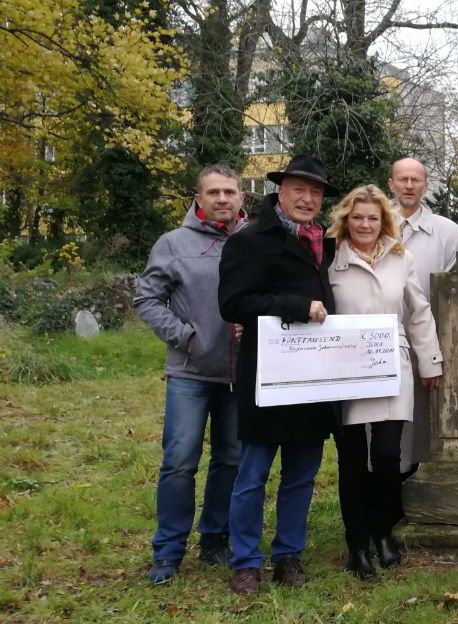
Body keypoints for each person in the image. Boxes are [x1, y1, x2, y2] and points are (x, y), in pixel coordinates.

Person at [218, 154, 340, 595]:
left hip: (314, 377)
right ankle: (246, 562)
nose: (307, 199)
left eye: (316, 192)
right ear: (280, 191)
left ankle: (289, 554)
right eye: (299, 190)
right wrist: (295, 307)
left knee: (302, 475)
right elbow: (233, 304)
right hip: (267, 376)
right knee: (252, 475)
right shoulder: (249, 241)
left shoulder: (325, 245)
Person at [134, 163, 246, 584]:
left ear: (240, 198)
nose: (222, 199)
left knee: (230, 460)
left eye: (230, 192)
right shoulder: (173, 243)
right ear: (198, 198)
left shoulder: (251, 242)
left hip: (240, 374)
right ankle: (168, 550)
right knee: (180, 462)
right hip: (190, 372)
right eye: (214, 192)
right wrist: (185, 336)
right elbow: (146, 299)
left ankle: (215, 540)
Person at [326, 185, 444, 579]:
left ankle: (383, 533)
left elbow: (418, 311)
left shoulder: (400, 256)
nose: (364, 224)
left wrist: (430, 363)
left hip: (391, 364)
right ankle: (356, 544)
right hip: (343, 368)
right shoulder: (330, 258)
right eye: (357, 217)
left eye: (372, 218)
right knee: (354, 460)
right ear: (346, 219)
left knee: (390, 455)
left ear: (384, 221)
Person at [386, 157, 458, 469]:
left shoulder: (448, 233)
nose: (408, 185)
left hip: (425, 343)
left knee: (421, 427)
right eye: (402, 179)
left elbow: (452, 294)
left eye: (415, 180)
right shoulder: (369, 225)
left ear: (425, 185)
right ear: (391, 183)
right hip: (379, 343)